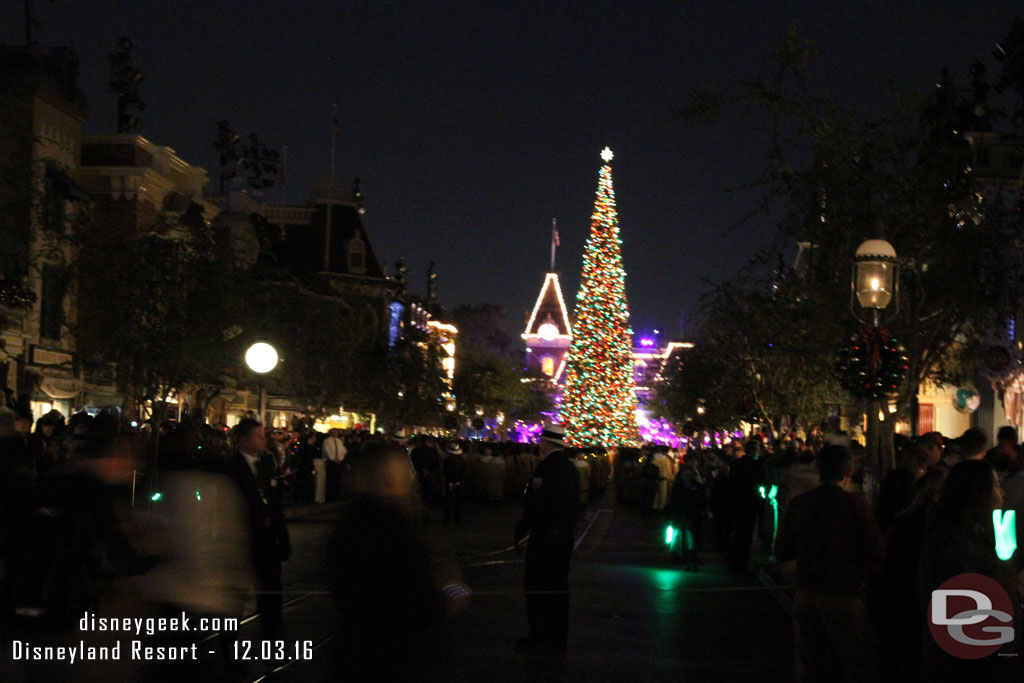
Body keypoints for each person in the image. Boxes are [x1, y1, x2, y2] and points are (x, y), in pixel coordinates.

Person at [775, 444, 882, 683]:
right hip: (843, 593)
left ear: (818, 468)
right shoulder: (855, 505)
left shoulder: (800, 504)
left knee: (808, 664)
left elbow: (782, 550)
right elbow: (875, 551)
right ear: (849, 470)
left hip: (806, 592)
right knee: (856, 663)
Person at [513, 423, 580, 659]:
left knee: (537, 585)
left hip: (544, 537)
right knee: (558, 585)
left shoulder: (547, 468)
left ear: (547, 443)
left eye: (541, 441)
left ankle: (539, 633)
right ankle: (558, 634)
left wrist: (523, 528)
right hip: (563, 536)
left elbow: (537, 503)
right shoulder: (570, 468)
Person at [226, 418, 290, 638]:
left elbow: (274, 504)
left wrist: (282, 539)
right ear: (244, 440)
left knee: (271, 597)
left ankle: (273, 643)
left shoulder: (266, 464)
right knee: (234, 603)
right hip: (242, 543)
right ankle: (233, 655)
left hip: (267, 543)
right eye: (259, 436)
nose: (264, 440)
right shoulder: (231, 467)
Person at [442, 440, 467, 526]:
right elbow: (463, 472)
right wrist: (458, 481)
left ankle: (447, 519)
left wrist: (449, 482)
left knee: (448, 501)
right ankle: (457, 519)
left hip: (449, 482)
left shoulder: (446, 460)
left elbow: (445, 471)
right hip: (458, 483)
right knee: (458, 502)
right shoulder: (462, 460)